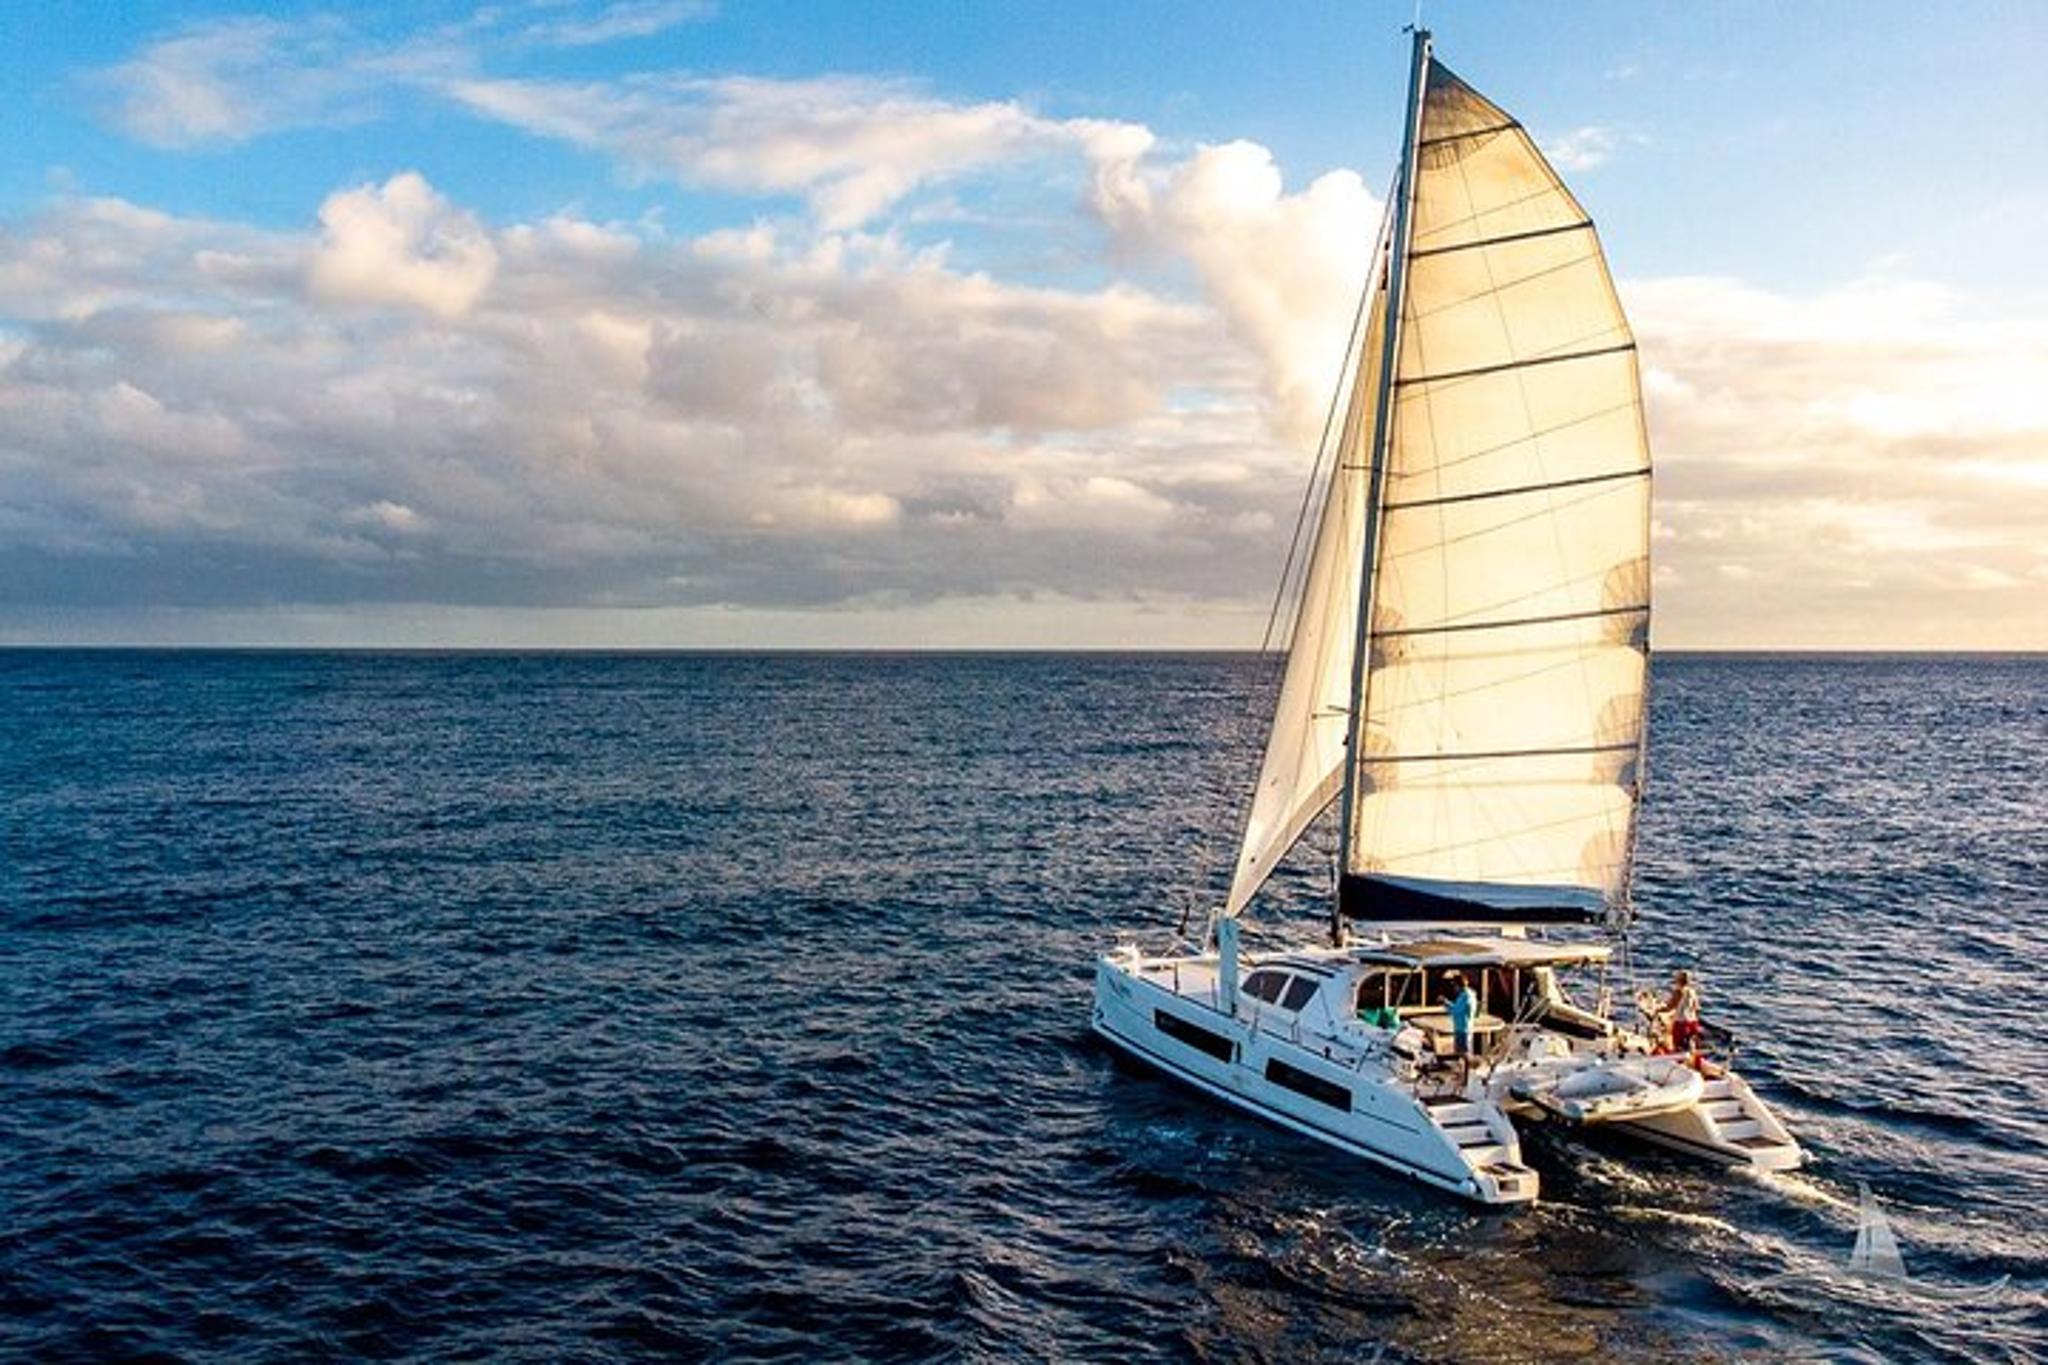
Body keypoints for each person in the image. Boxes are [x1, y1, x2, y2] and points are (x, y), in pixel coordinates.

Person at [1666, 970, 1702, 1056]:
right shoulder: (1693, 992)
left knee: (1679, 1047)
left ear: (1679, 980)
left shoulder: (1678, 991)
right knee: (1691, 1046)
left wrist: (1657, 1010)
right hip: (1693, 1022)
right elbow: (1697, 1007)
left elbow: (1670, 1007)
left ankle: (1679, 1065)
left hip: (1681, 1023)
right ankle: (1695, 1062)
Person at [1444, 971, 1477, 1058]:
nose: (1454, 988)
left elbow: (1455, 1011)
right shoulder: (1466, 996)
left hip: (1463, 1029)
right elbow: (1457, 1008)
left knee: (1464, 1054)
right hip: (1462, 1028)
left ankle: (1467, 1069)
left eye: (1455, 985)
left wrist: (1445, 1003)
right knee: (1461, 1054)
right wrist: (1447, 1003)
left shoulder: (1465, 997)